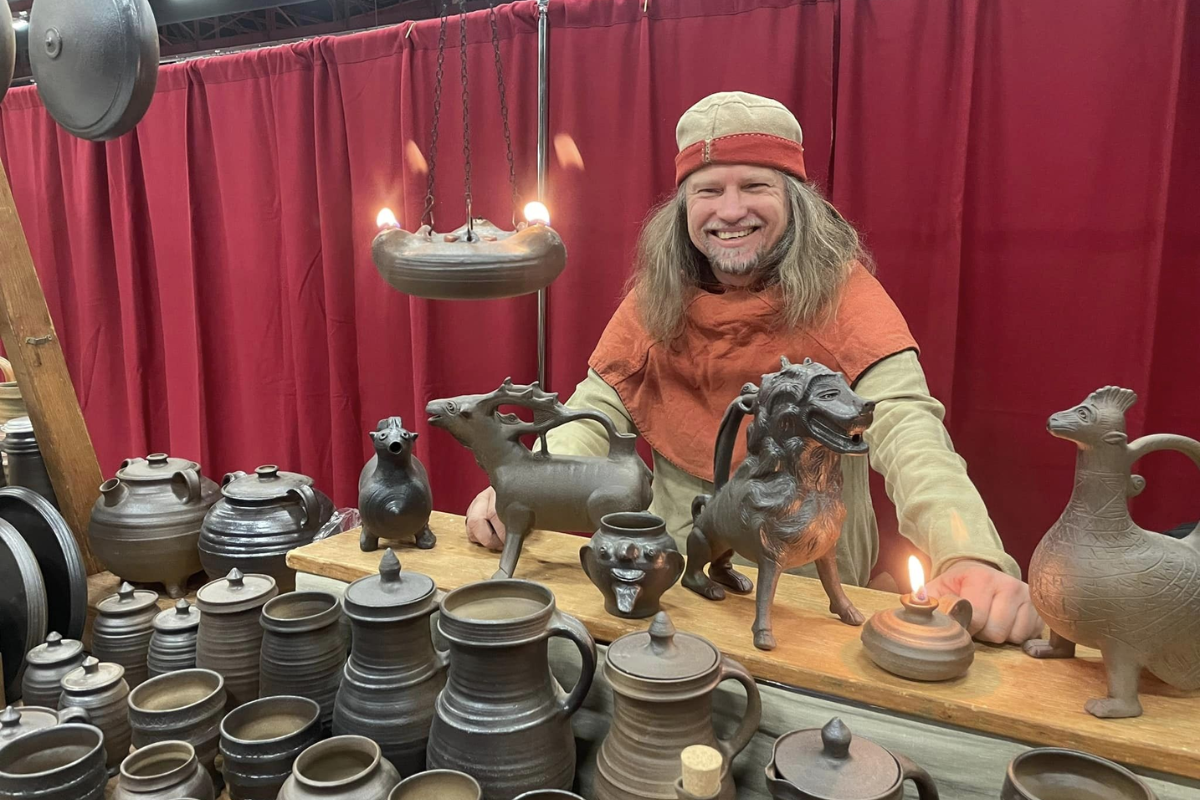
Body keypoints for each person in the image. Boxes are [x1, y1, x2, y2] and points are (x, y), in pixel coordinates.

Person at [465, 91, 1042, 645]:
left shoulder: (844, 295)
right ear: (683, 208)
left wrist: (967, 553)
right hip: (676, 577)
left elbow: (907, 426)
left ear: (794, 199)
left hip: (806, 589)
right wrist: (529, 486)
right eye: (708, 190)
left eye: (755, 186)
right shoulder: (656, 299)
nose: (730, 210)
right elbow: (596, 409)